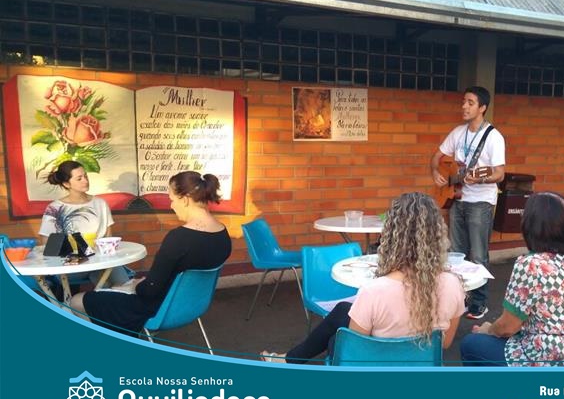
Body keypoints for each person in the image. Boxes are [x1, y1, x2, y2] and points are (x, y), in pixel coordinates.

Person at [260, 192, 465, 364]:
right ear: (438, 234)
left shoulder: (374, 291)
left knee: (335, 338)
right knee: (343, 310)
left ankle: (289, 360)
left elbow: (357, 351)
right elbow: (445, 343)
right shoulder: (454, 284)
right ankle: (288, 359)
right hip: (422, 366)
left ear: (392, 234)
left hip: (377, 368)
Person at [71, 171, 231, 334]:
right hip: (191, 306)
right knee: (117, 287)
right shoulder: (222, 234)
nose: (171, 206)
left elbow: (149, 291)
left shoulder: (178, 239)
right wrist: (146, 283)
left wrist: (136, 285)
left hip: (156, 308)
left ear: (184, 200)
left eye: (172, 200)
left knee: (76, 301)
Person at [460, 192, 564, 366]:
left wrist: (488, 330)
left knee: (470, 343)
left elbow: (507, 327)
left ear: (530, 225)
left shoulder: (532, 264)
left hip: (553, 358)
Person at [430, 85, 505, 320]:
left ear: (482, 108)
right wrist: (436, 172)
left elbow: (499, 173)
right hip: (457, 199)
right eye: (464, 102)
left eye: (470, 103)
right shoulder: (458, 132)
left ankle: (479, 303)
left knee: (479, 255)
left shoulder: (493, 137)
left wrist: (480, 178)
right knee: (456, 253)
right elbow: (437, 157)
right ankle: (458, 299)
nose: (464, 106)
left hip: (481, 201)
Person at [39, 160, 128, 287]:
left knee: (120, 281)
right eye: (79, 178)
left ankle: (119, 293)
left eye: (85, 176)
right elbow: (46, 244)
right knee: (104, 276)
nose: (85, 181)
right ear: (66, 184)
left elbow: (108, 238)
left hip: (100, 261)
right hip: (70, 266)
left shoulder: (100, 203)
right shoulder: (55, 208)